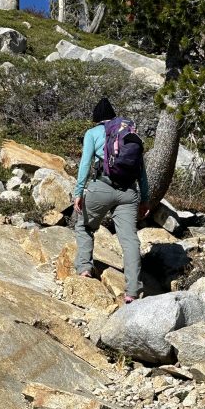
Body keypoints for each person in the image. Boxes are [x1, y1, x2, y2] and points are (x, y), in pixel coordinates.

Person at [73, 97, 150, 304]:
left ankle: (84, 269)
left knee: (84, 226)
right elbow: (142, 172)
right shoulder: (128, 134)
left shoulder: (92, 133)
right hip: (128, 193)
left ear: (96, 119)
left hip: (101, 188)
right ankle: (132, 291)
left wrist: (78, 192)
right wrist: (145, 200)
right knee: (130, 240)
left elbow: (85, 164)